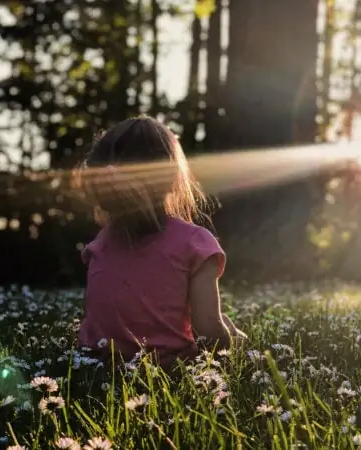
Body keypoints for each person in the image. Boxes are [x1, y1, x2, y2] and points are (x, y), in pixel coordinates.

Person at [75, 115, 247, 368]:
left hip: (97, 367)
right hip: (168, 371)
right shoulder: (195, 243)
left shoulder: (99, 245)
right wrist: (238, 344)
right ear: (172, 177)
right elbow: (208, 330)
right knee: (229, 331)